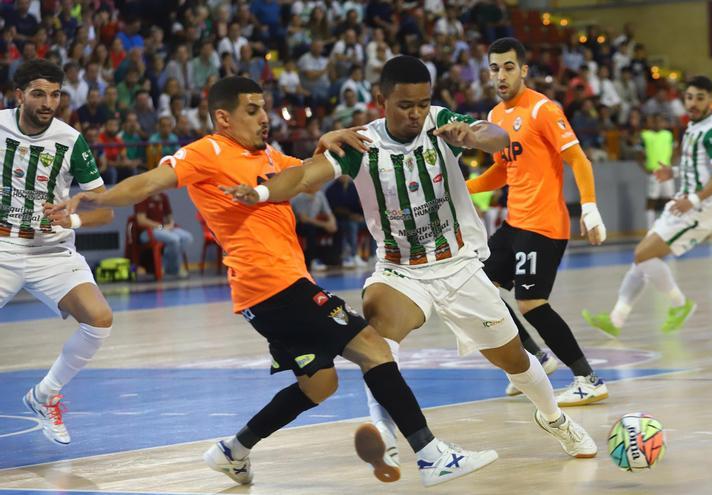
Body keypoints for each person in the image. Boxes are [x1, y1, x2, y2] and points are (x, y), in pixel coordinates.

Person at [66, 76, 494, 488]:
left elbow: (308, 174)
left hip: (269, 292)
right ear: (223, 118)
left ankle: (233, 451)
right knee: (374, 349)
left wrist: (329, 139)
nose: (263, 118)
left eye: (265, 109)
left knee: (320, 384)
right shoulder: (205, 152)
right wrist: (98, 196)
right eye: (252, 111)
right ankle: (431, 455)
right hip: (275, 283)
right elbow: (148, 182)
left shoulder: (269, 158)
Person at [225, 56, 599, 473]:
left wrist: (473, 134)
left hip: (457, 265)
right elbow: (306, 176)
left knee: (514, 359)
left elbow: (496, 140)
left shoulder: (442, 121)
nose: (417, 113)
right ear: (382, 100)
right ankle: (384, 435)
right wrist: (260, 194)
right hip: (400, 270)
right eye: (406, 105)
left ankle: (554, 419)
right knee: (377, 339)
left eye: (423, 103)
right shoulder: (361, 142)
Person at [466, 38, 609, 405]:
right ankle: (536, 360)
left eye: (508, 67)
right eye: (494, 68)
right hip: (515, 222)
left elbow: (579, 160)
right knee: (480, 289)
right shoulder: (496, 117)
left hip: (543, 224)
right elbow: (501, 171)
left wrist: (590, 206)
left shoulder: (542, 110)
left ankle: (588, 378)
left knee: (532, 304)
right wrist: (461, 188)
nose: (500, 75)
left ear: (524, 70)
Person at [0, 60, 114, 446]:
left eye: (55, 94)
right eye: (38, 94)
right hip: (2, 246)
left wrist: (74, 221)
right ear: (18, 95)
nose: (48, 102)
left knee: (99, 319)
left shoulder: (71, 140)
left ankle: (45, 395)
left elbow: (105, 209)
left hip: (51, 250)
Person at [583, 75, 712, 336]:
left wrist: (693, 200)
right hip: (682, 203)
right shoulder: (694, 126)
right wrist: (673, 173)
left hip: (699, 211)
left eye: (700, 98)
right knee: (640, 261)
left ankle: (680, 304)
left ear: (711, 100)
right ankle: (616, 319)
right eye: (689, 97)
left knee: (642, 255)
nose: (693, 103)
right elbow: (699, 168)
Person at [134, 192, 194, 277]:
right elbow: (141, 221)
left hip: (164, 229)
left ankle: (168, 266)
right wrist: (161, 226)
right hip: (148, 232)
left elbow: (169, 217)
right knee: (174, 239)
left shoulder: (163, 197)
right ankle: (172, 271)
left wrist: (171, 225)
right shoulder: (142, 197)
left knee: (187, 238)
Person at [641, 114, 676, 230]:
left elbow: (676, 149)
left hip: (666, 173)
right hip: (654, 173)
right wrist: (644, 167)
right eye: (655, 121)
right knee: (652, 200)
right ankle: (650, 229)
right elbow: (637, 152)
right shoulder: (645, 135)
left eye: (661, 121)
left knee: (669, 200)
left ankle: (668, 227)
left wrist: (670, 166)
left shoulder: (668, 135)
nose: (658, 124)